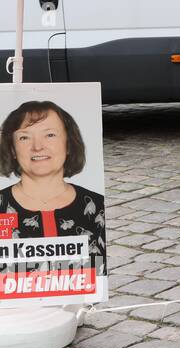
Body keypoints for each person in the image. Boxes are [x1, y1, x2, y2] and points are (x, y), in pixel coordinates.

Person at [0, 101, 107, 280]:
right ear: (12, 149)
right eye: (24, 137)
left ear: (68, 144)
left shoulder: (99, 206)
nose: (37, 146)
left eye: (50, 135)